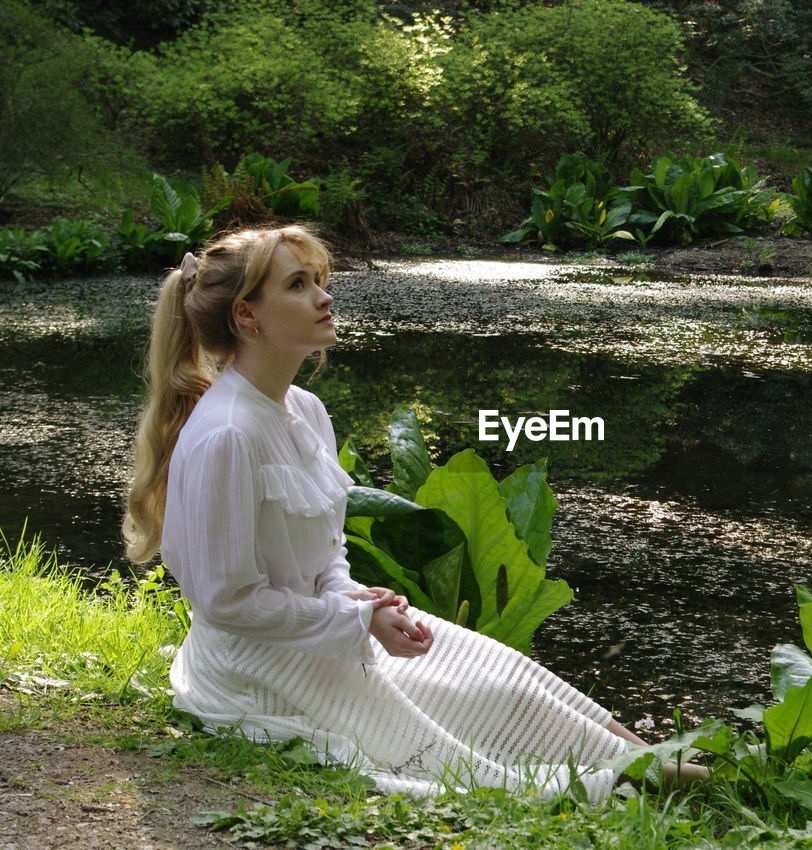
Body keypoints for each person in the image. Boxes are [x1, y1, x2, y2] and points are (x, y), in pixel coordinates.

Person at [123, 225, 701, 802]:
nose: (324, 298)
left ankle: (663, 761)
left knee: (493, 671)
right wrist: (353, 621)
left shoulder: (305, 409)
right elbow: (226, 603)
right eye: (298, 286)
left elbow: (326, 553)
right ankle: (653, 781)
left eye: (319, 281)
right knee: (454, 728)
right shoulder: (227, 434)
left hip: (320, 629)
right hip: (256, 666)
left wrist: (358, 598)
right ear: (247, 317)